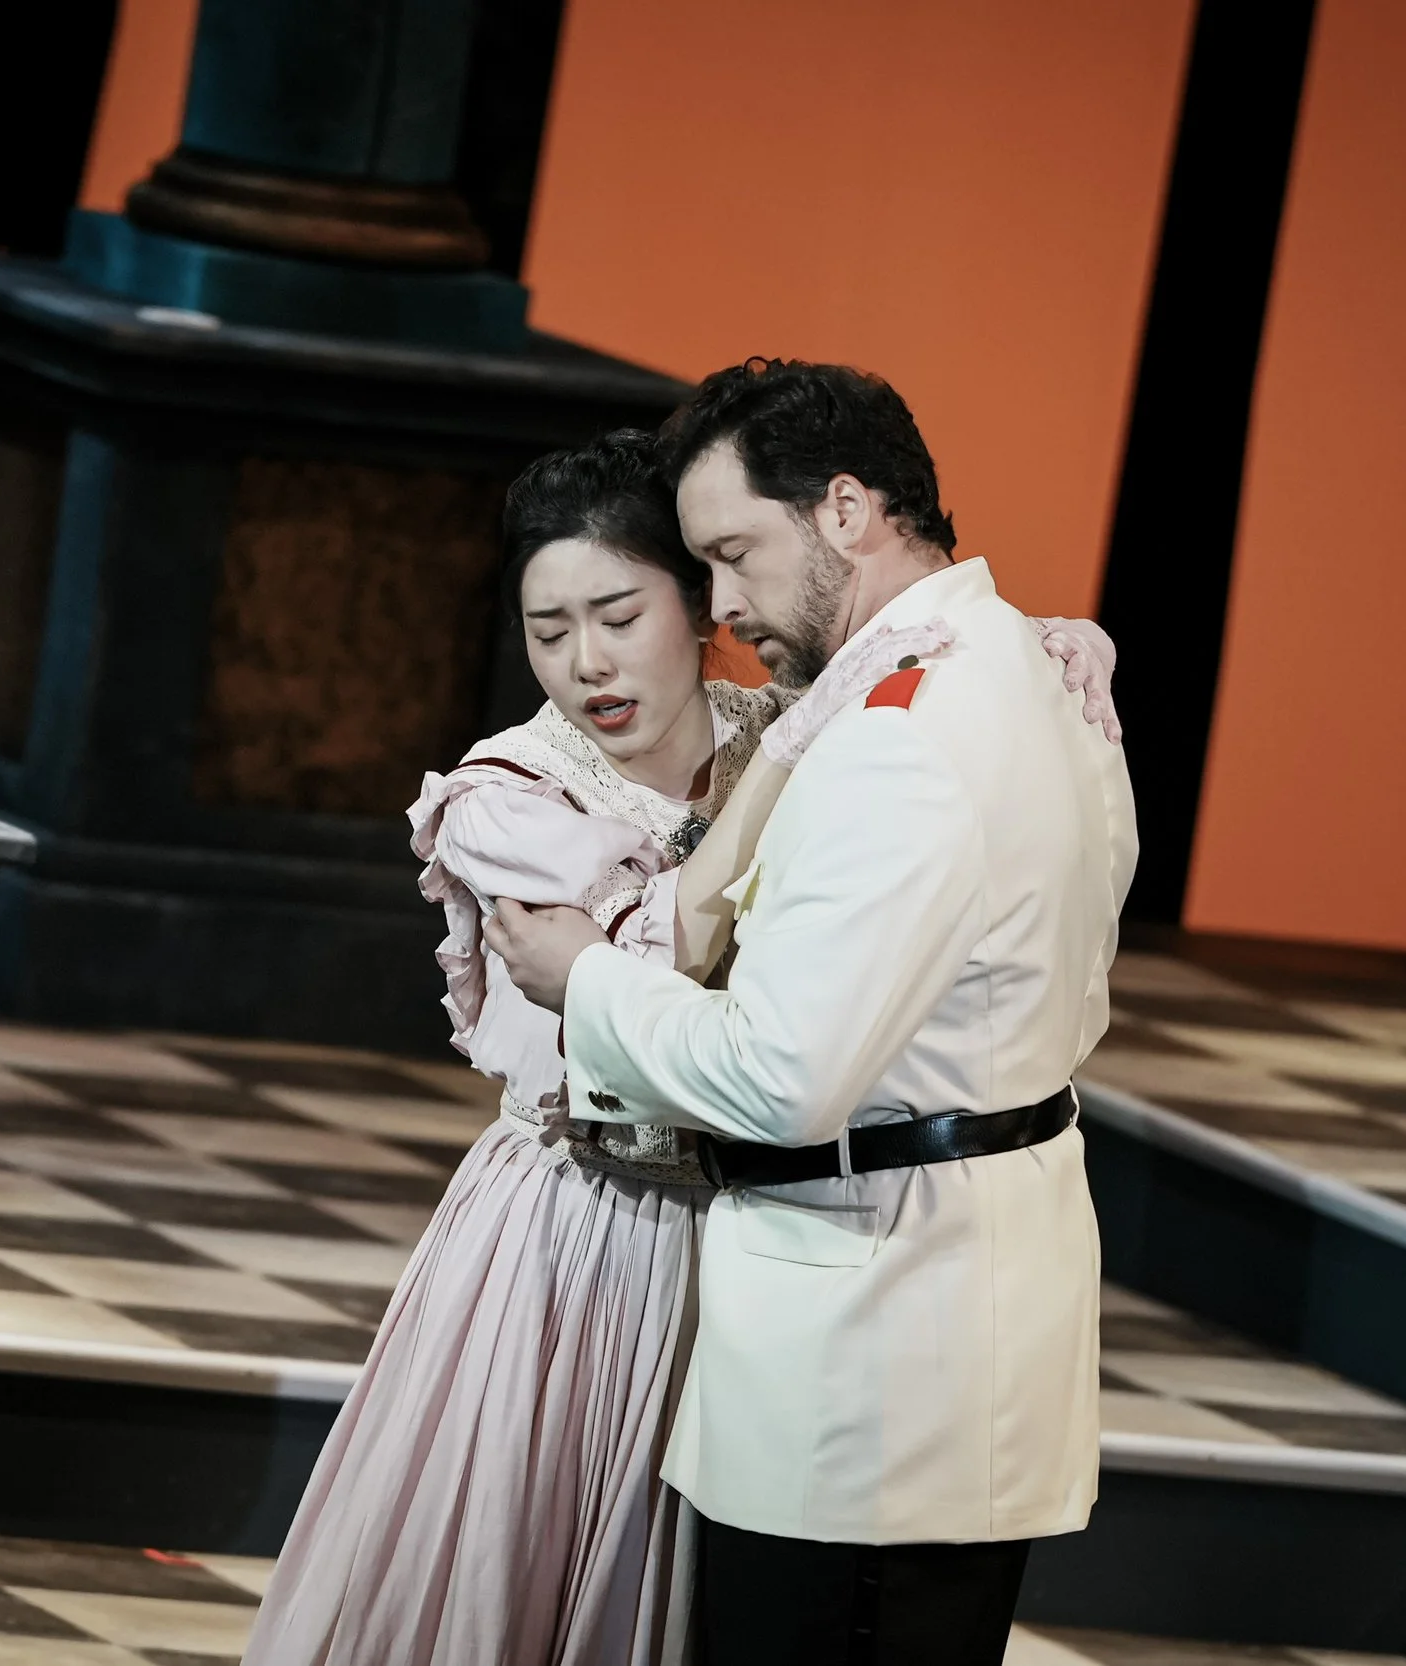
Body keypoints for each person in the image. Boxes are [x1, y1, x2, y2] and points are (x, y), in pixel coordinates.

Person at [243, 429, 1119, 1666]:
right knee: (531, 1579)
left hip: (757, 1238)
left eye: (617, 613)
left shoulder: (804, 713)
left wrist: (1059, 646)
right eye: (548, 631)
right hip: (580, 1238)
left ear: (695, 606)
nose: (586, 662)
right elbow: (654, 963)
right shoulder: (508, 793)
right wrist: (789, 758)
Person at [486, 362, 1139, 1666]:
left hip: (875, 1351)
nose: (724, 602)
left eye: (736, 553)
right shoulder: (1023, 660)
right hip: (963, 1297)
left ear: (847, 510)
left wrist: (591, 983)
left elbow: (781, 1076)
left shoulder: (896, 736)